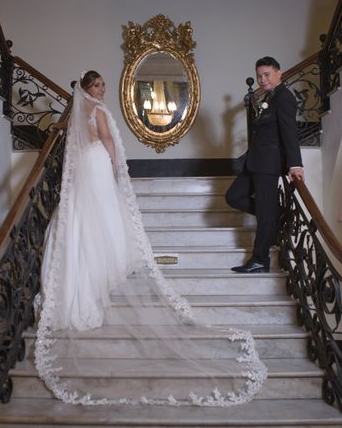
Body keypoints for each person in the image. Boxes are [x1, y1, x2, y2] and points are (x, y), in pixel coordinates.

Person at [35, 71, 267, 406]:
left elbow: (76, 148)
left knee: (84, 222)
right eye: (97, 85)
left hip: (84, 170)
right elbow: (108, 141)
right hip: (97, 168)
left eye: (102, 85)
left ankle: (83, 291)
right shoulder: (98, 111)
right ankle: (92, 290)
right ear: (87, 89)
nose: (102, 90)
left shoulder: (73, 115)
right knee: (102, 223)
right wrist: (117, 168)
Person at [225, 56, 304, 273]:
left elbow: (289, 131)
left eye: (267, 74)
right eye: (259, 76)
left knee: (264, 211)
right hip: (255, 162)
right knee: (233, 197)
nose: (262, 80)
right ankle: (277, 215)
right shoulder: (270, 97)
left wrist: (295, 164)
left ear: (279, 73)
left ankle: (260, 259)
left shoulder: (284, 98)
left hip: (269, 164)